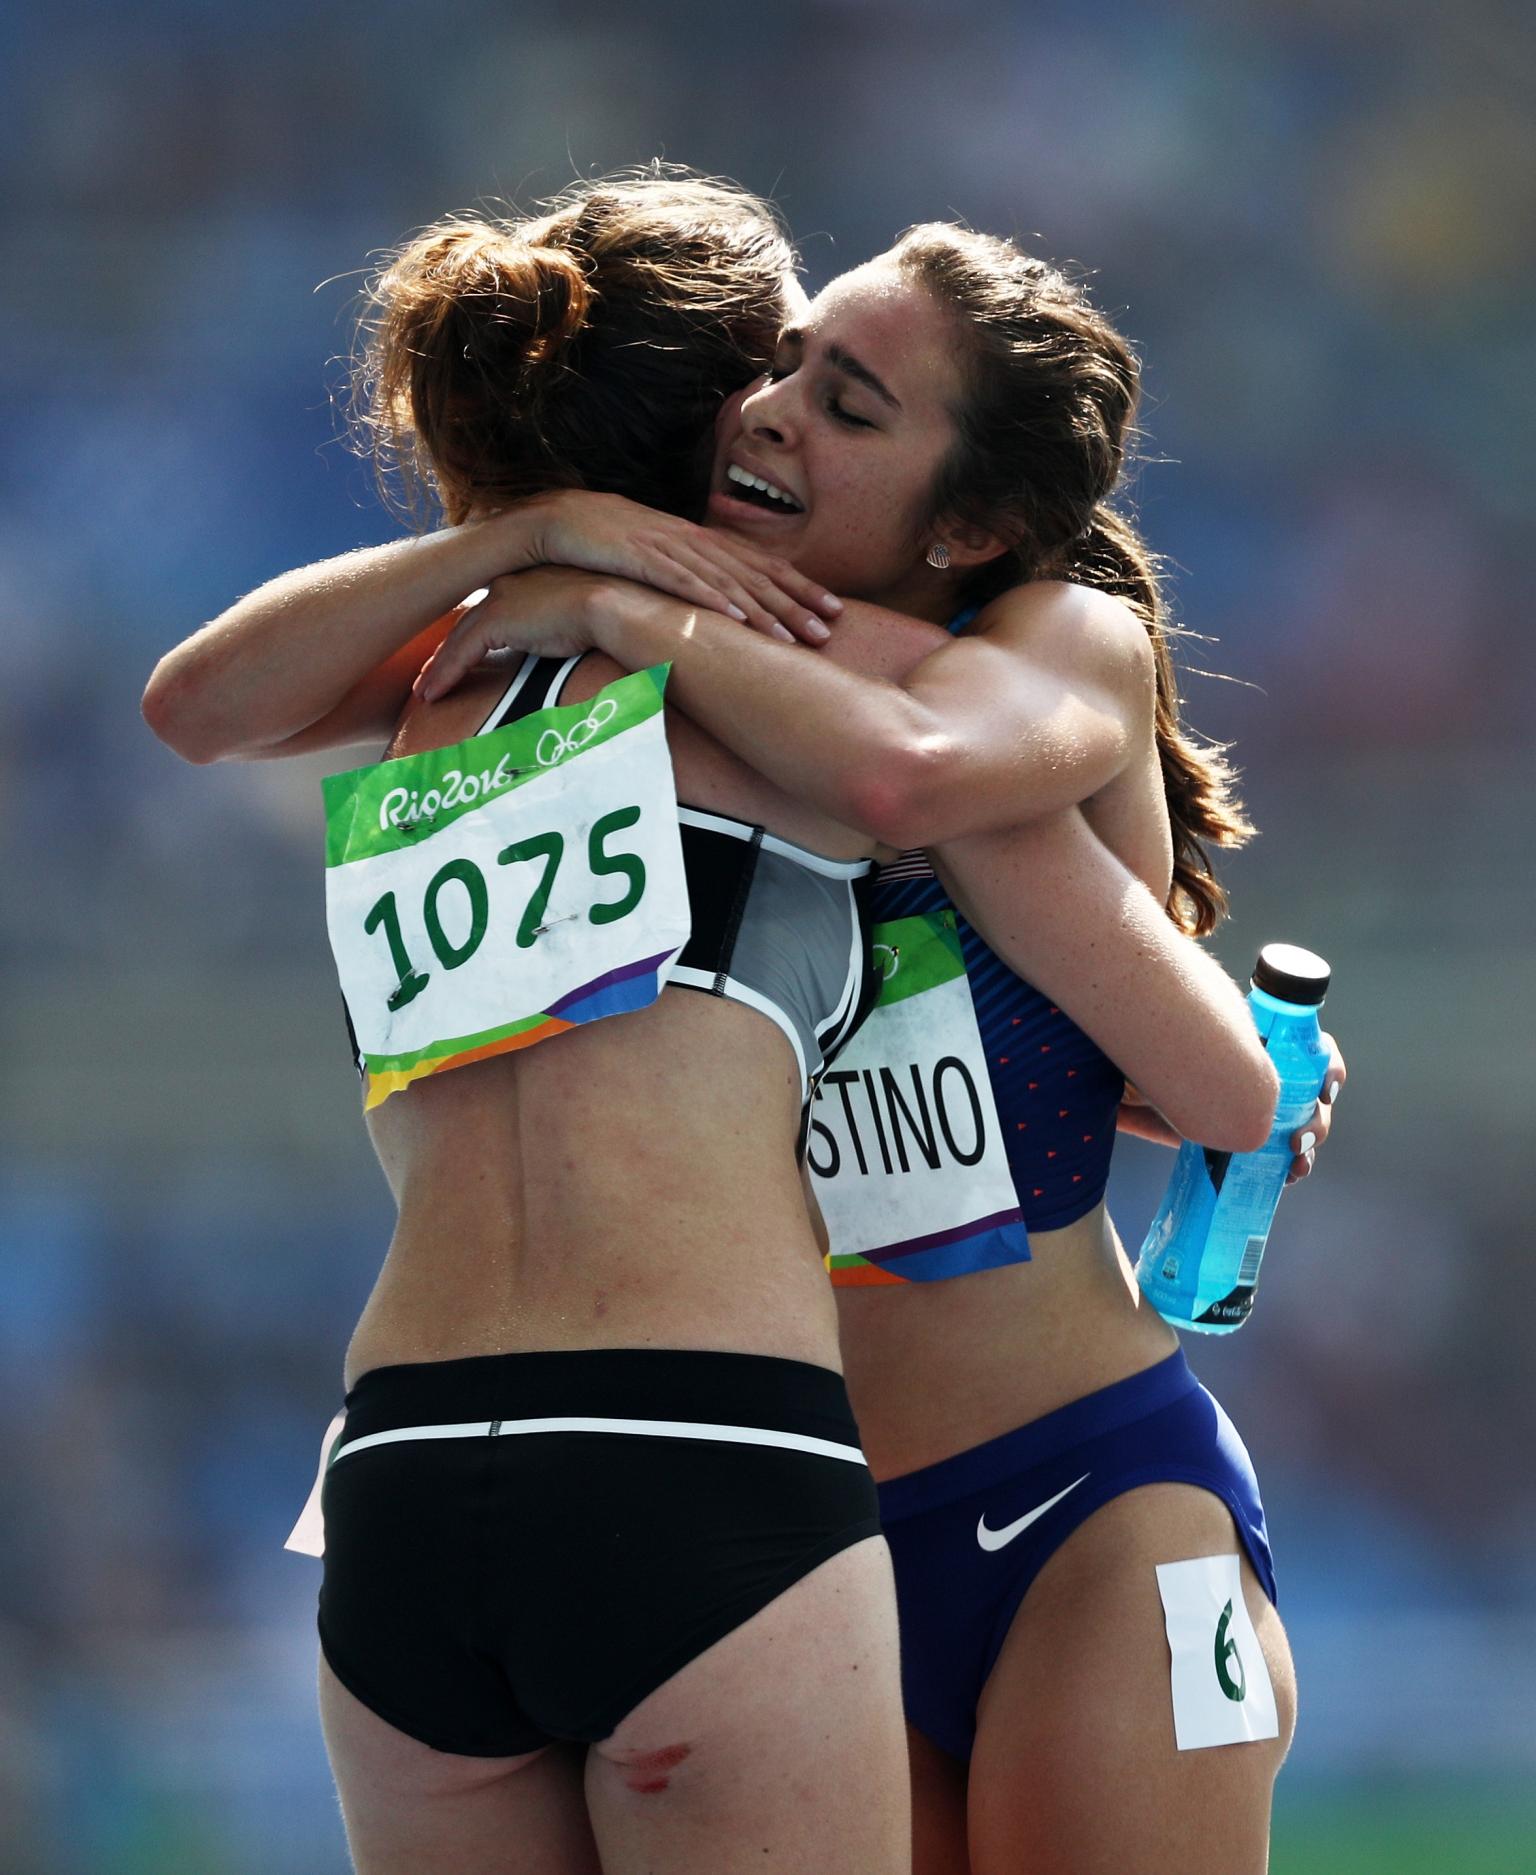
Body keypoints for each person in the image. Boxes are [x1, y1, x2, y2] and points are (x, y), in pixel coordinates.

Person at [143, 172, 1310, 1875]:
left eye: (842, 403)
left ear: (967, 518)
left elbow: (1178, 1051)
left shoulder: (1003, 654)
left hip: (1063, 1484)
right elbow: (200, 706)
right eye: (772, 370)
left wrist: (624, 607)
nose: (768, 417)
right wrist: (538, 555)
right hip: (771, 1496)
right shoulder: (556, 672)